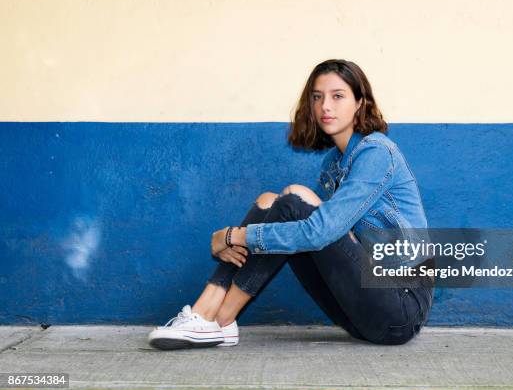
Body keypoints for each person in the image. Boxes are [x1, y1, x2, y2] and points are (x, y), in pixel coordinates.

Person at [148, 59, 434, 349]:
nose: (325, 106)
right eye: (317, 97)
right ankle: (217, 318)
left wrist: (234, 236)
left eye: (338, 96)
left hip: (400, 308)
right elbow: (320, 233)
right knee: (270, 201)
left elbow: (321, 232)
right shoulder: (333, 164)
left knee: (292, 201)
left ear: (360, 102)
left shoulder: (377, 153)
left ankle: (212, 316)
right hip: (357, 315)